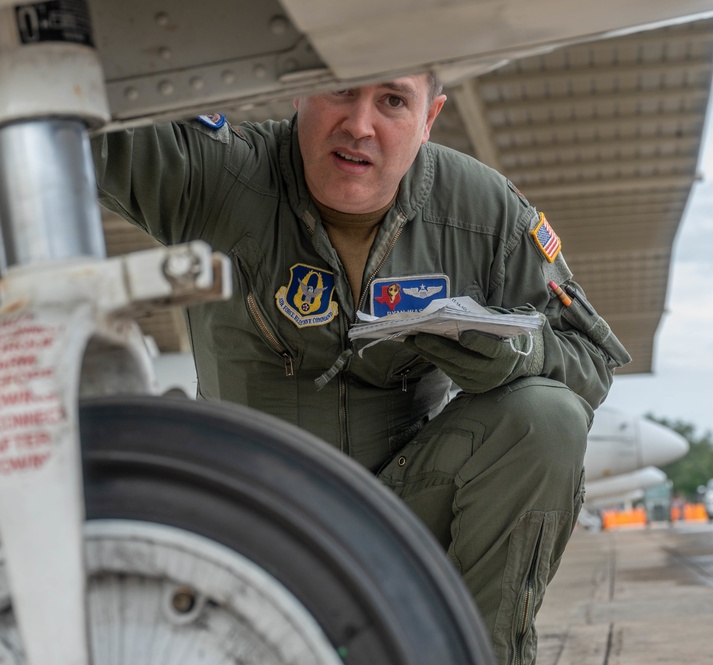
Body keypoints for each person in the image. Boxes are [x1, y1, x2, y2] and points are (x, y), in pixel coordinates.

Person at [91, 71, 631, 664]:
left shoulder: (482, 213)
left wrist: (513, 354)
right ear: (299, 91)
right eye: (342, 90)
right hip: (252, 518)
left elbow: (592, 360)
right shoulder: (223, 176)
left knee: (545, 416)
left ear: (429, 118)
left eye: (392, 101)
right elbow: (76, 113)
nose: (360, 124)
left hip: (400, 519)